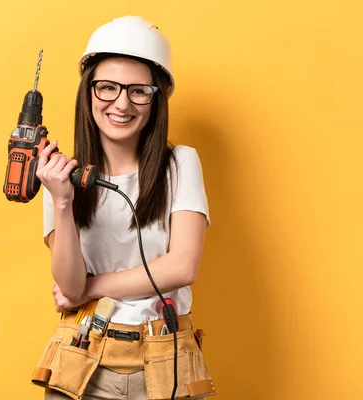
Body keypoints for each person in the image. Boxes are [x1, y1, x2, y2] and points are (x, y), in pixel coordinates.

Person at [31, 15, 215, 400]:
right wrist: (62, 202)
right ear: (88, 92)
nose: (121, 103)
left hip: (168, 361)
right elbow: (68, 284)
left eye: (138, 91)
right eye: (108, 88)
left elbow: (182, 267)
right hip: (84, 360)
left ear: (156, 98)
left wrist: (89, 289)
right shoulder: (59, 175)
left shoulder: (180, 163)